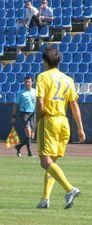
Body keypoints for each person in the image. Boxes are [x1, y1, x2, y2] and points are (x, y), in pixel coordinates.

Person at [35, 47, 85, 209]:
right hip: (63, 122)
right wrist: (80, 127)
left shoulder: (42, 77)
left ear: (44, 61)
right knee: (52, 162)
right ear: (59, 61)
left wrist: (38, 118)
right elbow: (74, 104)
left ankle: (70, 189)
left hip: (49, 120)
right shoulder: (68, 79)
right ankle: (44, 199)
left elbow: (40, 102)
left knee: (45, 161)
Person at [11, 76, 36, 157]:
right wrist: (14, 116)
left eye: (29, 82)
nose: (27, 83)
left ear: (32, 82)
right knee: (28, 132)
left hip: (33, 114)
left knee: (31, 137)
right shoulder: (21, 93)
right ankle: (30, 153)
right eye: (26, 82)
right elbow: (16, 105)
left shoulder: (36, 92)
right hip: (24, 114)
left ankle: (18, 146)